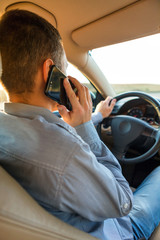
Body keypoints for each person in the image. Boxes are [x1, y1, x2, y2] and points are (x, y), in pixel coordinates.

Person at [0, 10, 160, 240]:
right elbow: (123, 202)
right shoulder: (62, 154)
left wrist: (94, 117)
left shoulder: (9, 126)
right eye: (64, 70)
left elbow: (56, 128)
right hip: (120, 229)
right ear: (49, 71)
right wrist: (86, 128)